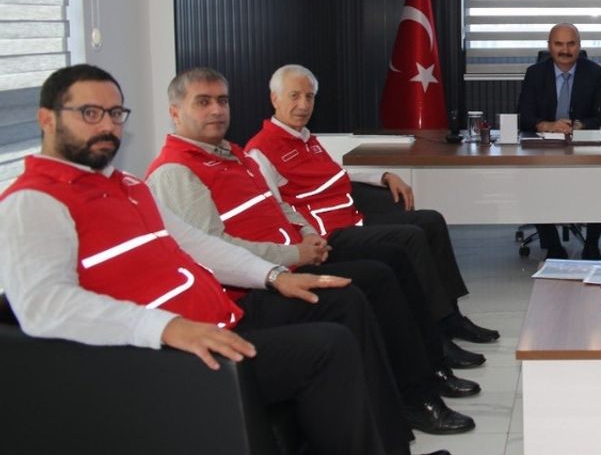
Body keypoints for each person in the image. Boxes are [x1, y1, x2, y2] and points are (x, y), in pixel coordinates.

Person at [0, 64, 419, 455]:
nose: (107, 125)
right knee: (328, 347)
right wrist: (167, 327)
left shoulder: (128, 186)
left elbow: (199, 244)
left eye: (115, 113)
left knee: (338, 306)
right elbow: (44, 305)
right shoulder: (33, 201)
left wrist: (275, 276)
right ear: (47, 119)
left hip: (219, 320)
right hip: (164, 354)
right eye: (90, 113)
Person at [145, 67, 481, 435]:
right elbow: (213, 250)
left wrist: (306, 235)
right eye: (203, 102)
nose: (216, 110)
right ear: (175, 112)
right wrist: (295, 256)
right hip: (253, 288)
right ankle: (408, 406)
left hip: (293, 259)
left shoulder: (233, 154)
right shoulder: (177, 172)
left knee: (389, 266)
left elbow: (279, 205)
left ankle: (426, 375)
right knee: (358, 292)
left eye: (222, 101)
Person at [246, 63, 499, 345]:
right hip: (327, 236)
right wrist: (306, 239)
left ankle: (451, 317)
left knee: (431, 220)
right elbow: (272, 208)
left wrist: (384, 175)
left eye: (309, 96)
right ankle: (435, 331)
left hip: (352, 219)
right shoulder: (261, 150)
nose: (303, 105)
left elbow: (338, 174)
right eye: (294, 96)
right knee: (411, 237)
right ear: (275, 99)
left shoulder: (306, 139)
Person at [516, 22, 601, 260]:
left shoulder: (595, 72)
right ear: (549, 46)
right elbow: (524, 116)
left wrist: (579, 125)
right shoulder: (535, 73)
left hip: (583, 146)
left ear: (579, 46)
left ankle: (591, 245)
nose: (565, 50)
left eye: (571, 44)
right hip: (544, 147)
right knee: (533, 182)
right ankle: (553, 246)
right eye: (559, 44)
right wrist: (546, 125)